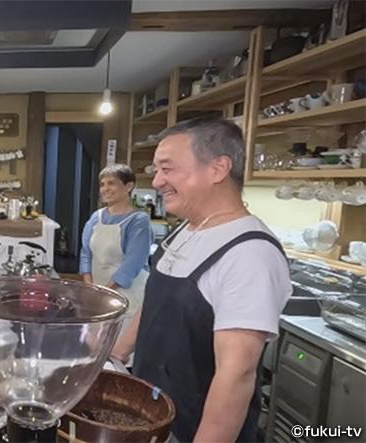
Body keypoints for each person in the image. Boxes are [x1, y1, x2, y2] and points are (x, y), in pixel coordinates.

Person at [111, 117, 291, 442]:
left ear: (218, 168)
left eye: (167, 169)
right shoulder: (187, 229)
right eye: (156, 170)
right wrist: (115, 356)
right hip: (151, 415)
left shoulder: (249, 254)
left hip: (193, 429)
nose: (157, 182)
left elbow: (236, 376)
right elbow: (156, 303)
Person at [79, 163, 152, 331]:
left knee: (121, 343)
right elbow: (86, 254)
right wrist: (90, 288)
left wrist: (104, 292)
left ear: (129, 186)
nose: (105, 189)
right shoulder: (96, 217)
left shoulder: (138, 220)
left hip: (128, 295)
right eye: (102, 184)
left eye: (111, 183)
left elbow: (132, 264)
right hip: (98, 294)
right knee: (96, 340)